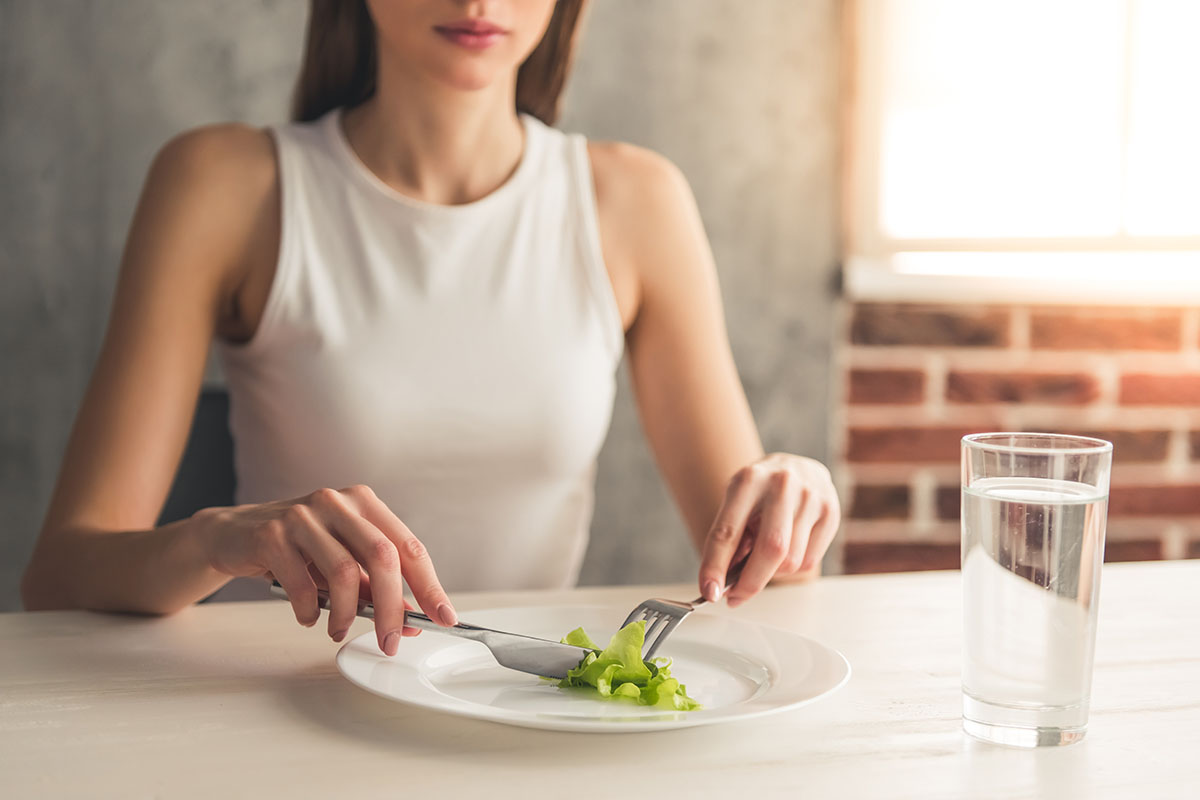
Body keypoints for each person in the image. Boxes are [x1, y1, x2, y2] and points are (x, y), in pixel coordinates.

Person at [21, 0, 841, 657]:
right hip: (276, 705)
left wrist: (789, 502)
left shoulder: (637, 202)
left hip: (521, 716)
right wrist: (216, 541)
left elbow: (757, 582)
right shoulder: (222, 185)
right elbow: (60, 575)